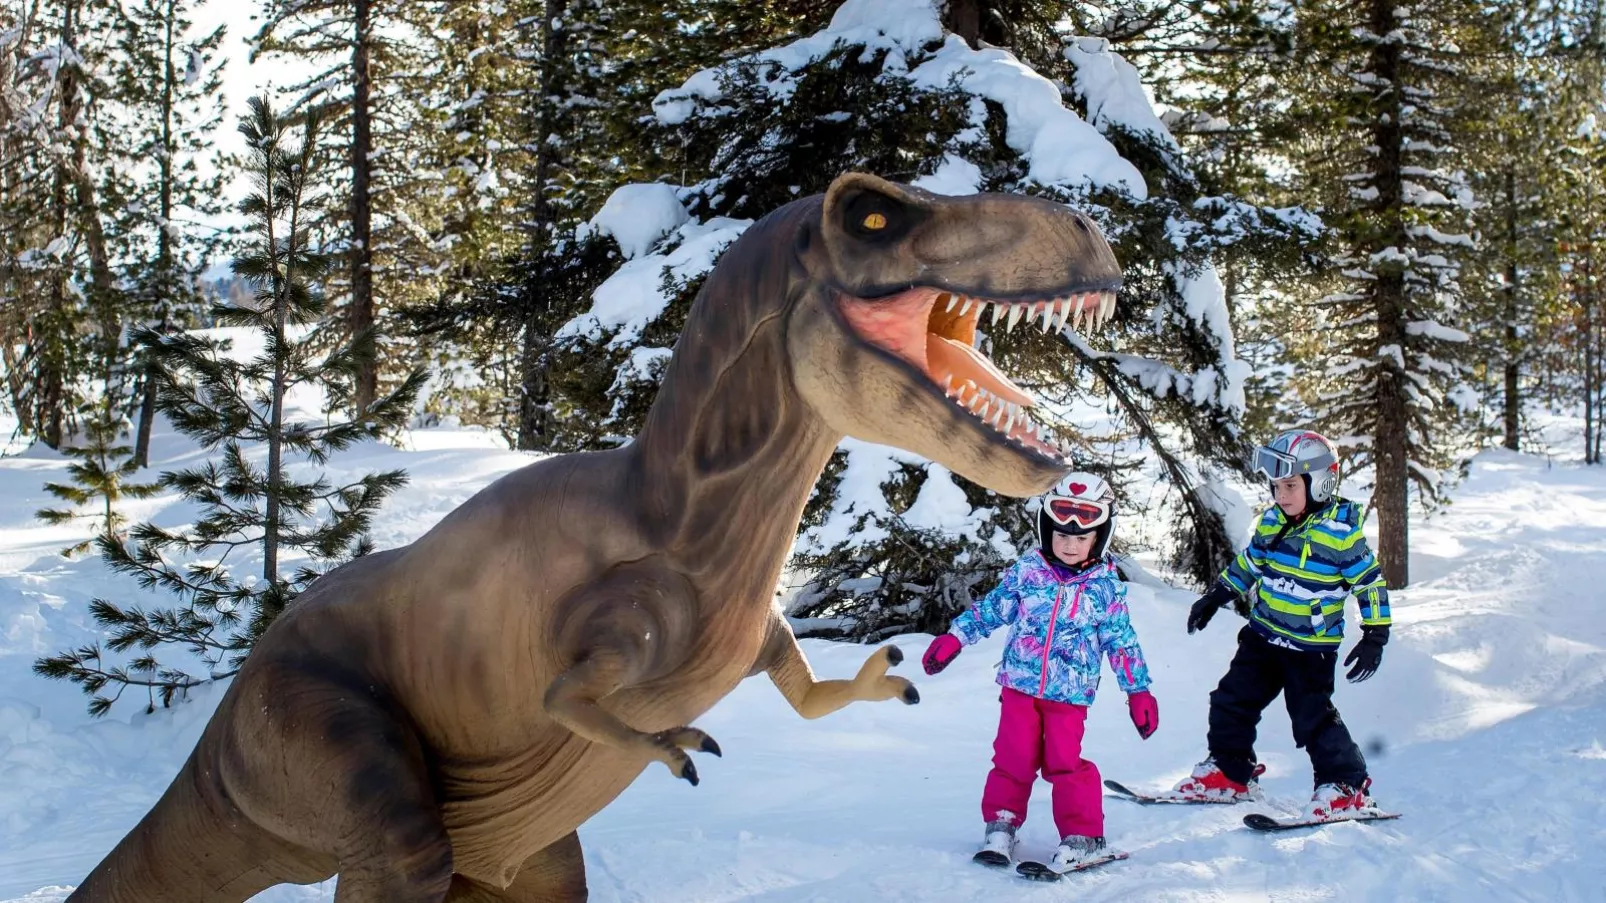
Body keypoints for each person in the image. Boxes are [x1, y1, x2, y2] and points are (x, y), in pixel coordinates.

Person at [921, 473, 1157, 874]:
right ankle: (1002, 824)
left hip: (1070, 696)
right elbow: (993, 608)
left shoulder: (1104, 589)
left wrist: (1138, 691)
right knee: (1011, 759)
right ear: (1047, 529)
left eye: (1081, 537)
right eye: (1062, 533)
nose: (1070, 543)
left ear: (1099, 536)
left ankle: (1083, 837)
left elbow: (1122, 642)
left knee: (1065, 765)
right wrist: (956, 637)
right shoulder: (1028, 571)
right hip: (1019, 686)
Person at [1174, 429, 1390, 820]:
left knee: (1312, 717)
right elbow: (1251, 563)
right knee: (1230, 701)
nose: (1281, 495)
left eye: (1290, 485)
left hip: (1310, 648)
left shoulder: (1341, 535)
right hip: (1262, 636)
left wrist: (1375, 635)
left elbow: (1369, 583)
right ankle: (1230, 771)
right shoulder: (1274, 522)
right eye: (1276, 486)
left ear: (1320, 483)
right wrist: (1217, 595)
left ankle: (1345, 785)